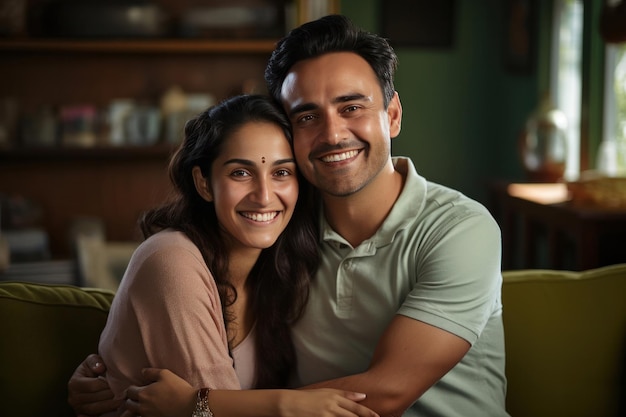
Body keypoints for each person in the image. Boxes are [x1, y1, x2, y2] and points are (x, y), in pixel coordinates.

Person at [69, 15, 509, 417]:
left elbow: (387, 393)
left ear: (391, 116)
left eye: (351, 107)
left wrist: (200, 405)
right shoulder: (281, 226)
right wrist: (112, 374)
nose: (333, 133)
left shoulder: (460, 229)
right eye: (307, 116)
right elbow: (173, 298)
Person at [77, 93, 378, 417]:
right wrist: (290, 404)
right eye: (240, 173)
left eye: (281, 173)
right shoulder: (171, 260)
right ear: (204, 183)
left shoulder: (279, 271)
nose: (264, 197)